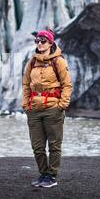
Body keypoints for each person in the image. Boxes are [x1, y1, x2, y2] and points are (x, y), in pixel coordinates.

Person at [22, 28, 73, 188]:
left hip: (53, 108)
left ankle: (52, 176)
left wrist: (62, 105)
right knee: (37, 146)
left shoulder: (58, 61)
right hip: (34, 109)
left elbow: (67, 85)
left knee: (54, 145)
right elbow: (26, 85)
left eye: (43, 41)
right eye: (37, 41)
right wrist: (26, 104)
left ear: (50, 43)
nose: (39, 44)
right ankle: (43, 174)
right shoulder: (32, 62)